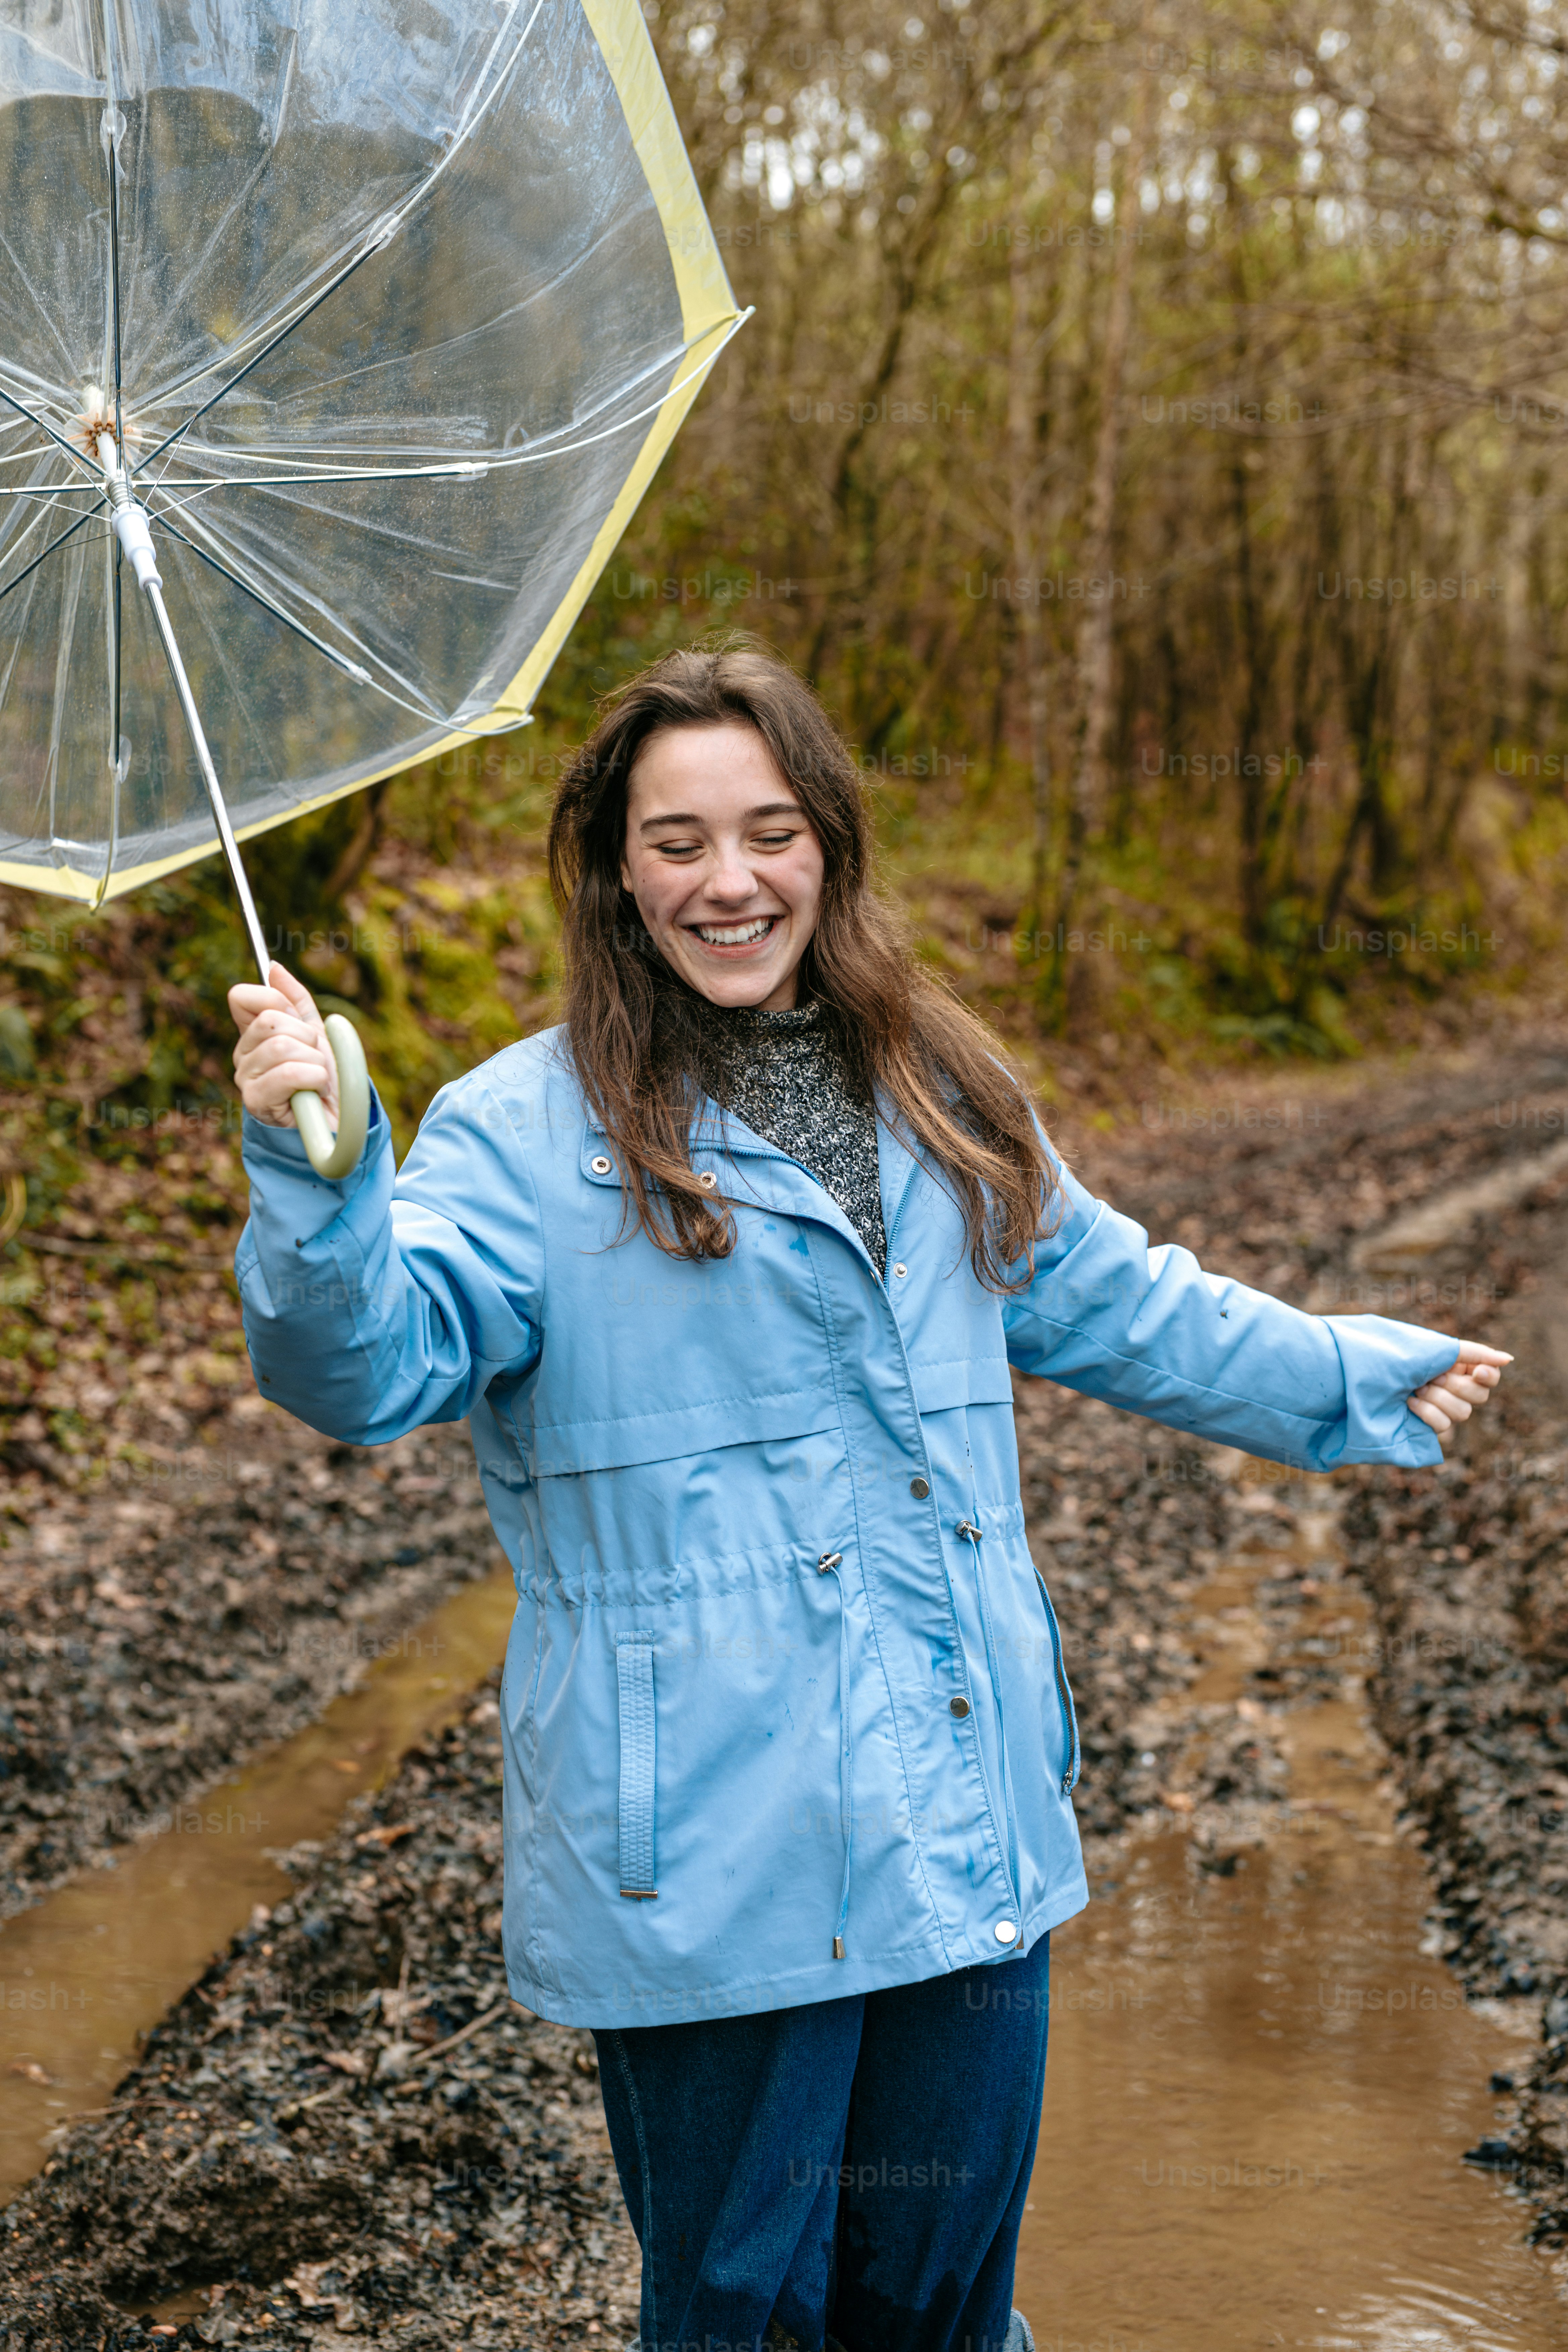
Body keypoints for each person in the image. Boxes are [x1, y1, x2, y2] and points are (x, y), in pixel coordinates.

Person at [229, 642, 1508, 2352]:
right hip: (712, 1852)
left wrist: (1344, 1377)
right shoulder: (519, 1138)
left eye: (769, 830)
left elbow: (1122, 1303)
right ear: (617, 869)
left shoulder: (939, 1087)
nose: (729, 880)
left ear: (828, 844)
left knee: (943, 2305)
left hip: (964, 1810)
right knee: (746, 2314)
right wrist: (322, 1185)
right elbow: (368, 1366)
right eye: (677, 842)